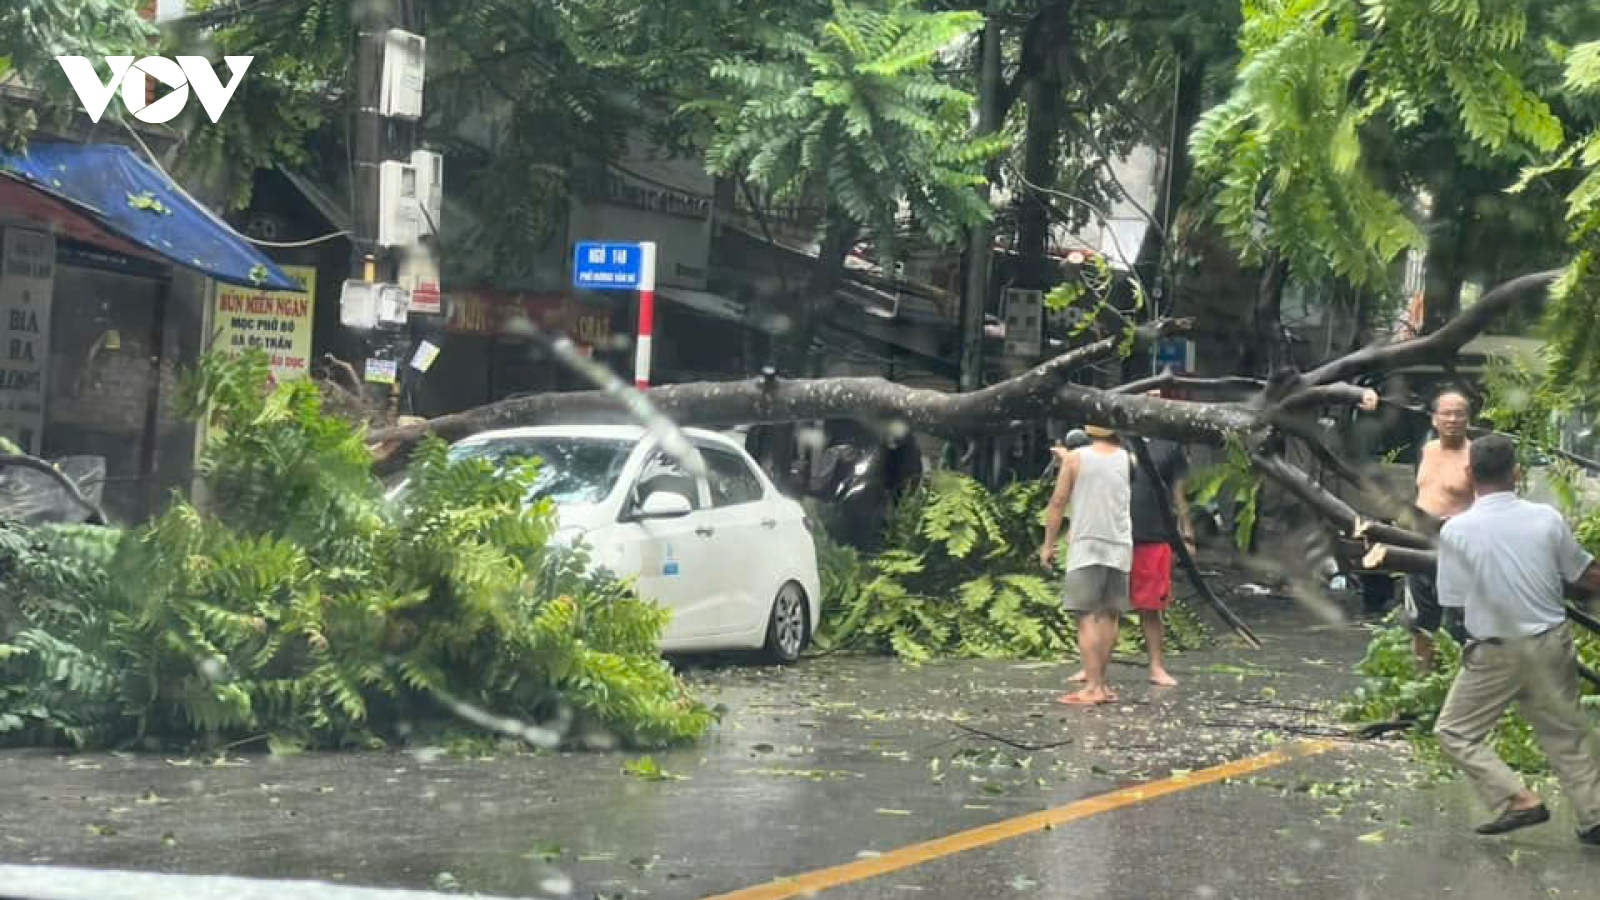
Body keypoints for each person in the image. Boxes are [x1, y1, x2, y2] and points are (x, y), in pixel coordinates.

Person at [1433, 434, 1600, 844]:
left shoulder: (1456, 530)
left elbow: (1452, 601)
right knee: (1565, 734)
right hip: (1550, 642)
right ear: (1517, 473)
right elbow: (1582, 574)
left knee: (1455, 731)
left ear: (1469, 474)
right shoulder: (1546, 518)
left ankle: (1517, 799)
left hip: (1496, 651)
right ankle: (1595, 817)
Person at [1066, 395, 1195, 687]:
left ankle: (1156, 667)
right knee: (1103, 607)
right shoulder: (1116, 443)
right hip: (1113, 534)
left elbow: (1178, 493)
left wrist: (1187, 533)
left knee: (1151, 607)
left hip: (1154, 533)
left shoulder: (1170, 446)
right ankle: (1094, 670)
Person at [1040, 424, 1133, 706]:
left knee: (1086, 617)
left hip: (1087, 542)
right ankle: (1101, 684)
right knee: (1109, 615)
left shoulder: (1076, 458)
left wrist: (1048, 544)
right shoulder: (1128, 458)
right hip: (1120, 543)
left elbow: (1058, 502)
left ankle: (1092, 687)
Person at [1408, 388, 1475, 671]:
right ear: (1434, 419)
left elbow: (1486, 504)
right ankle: (1422, 682)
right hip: (1418, 541)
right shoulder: (1427, 450)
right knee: (1421, 621)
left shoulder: (1475, 456)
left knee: (1458, 622)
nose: (1452, 419)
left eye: (1459, 413)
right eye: (1446, 413)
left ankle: (1459, 681)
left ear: (1468, 419)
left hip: (1457, 545)